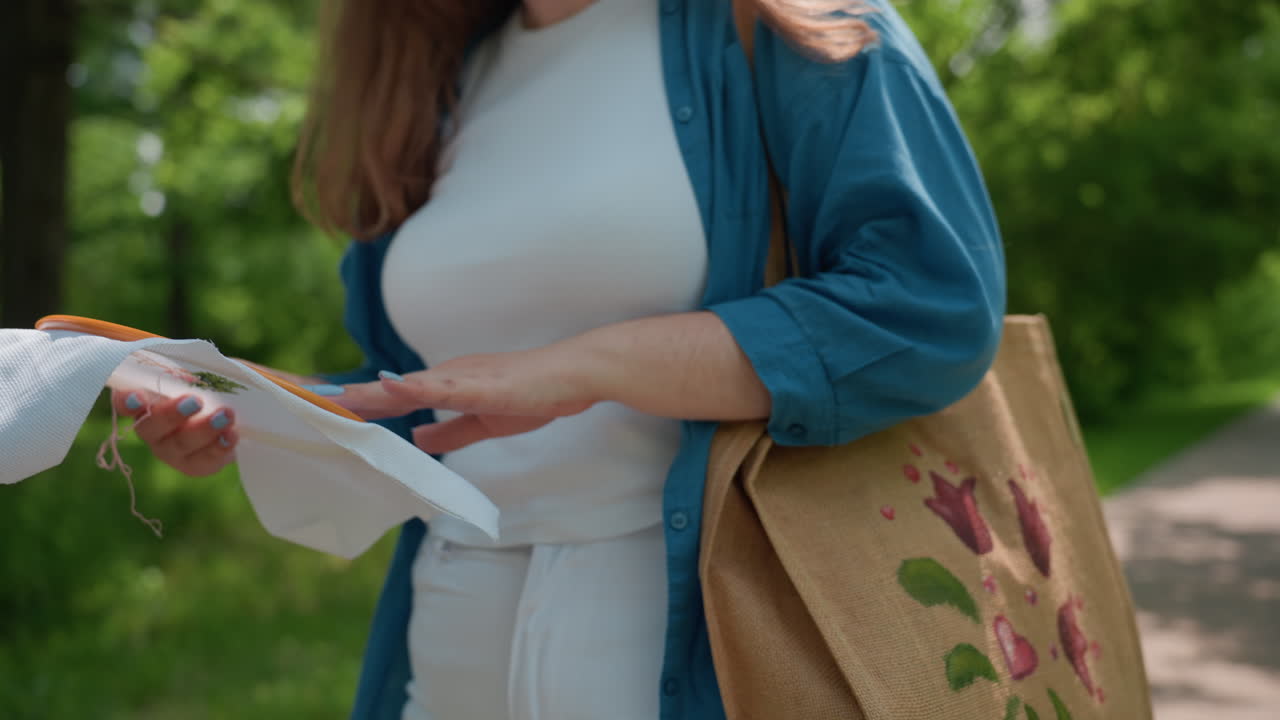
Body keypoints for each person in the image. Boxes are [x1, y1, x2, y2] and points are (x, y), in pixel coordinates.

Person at [114, 0, 1006, 717]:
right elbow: (417, 394)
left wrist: (590, 365)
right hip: (447, 652)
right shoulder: (435, 77)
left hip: (709, 660)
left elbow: (931, 305)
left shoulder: (786, 20)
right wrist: (245, 412)